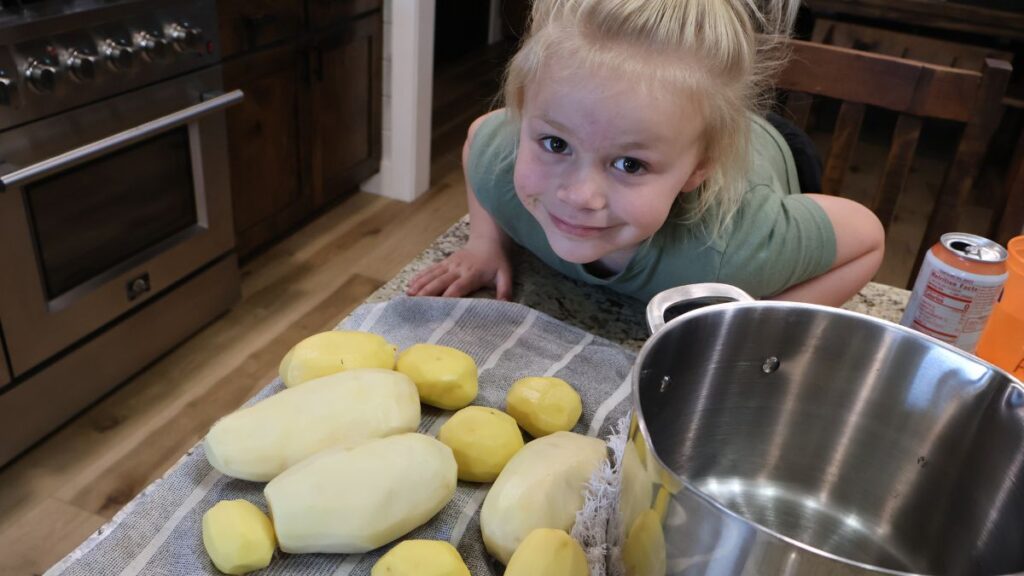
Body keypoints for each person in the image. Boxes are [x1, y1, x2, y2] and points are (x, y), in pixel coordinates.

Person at [407, 0, 885, 306]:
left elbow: (868, 238)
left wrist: (759, 328)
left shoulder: (729, 255)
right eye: (555, 143)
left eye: (629, 164)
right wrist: (485, 244)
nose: (578, 196)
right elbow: (478, 134)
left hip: (774, 149)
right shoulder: (501, 163)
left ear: (698, 168)